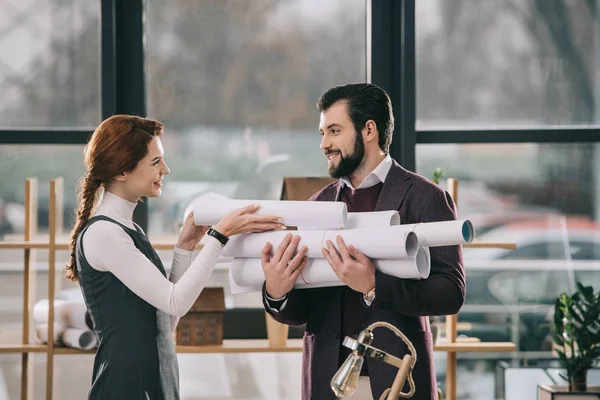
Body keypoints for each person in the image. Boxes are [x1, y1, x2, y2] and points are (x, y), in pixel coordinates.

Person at [261, 83, 465, 400]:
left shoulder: (426, 198)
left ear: (368, 129)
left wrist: (374, 285)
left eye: (334, 131)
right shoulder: (317, 205)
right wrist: (277, 291)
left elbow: (451, 292)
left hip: (398, 381)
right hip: (328, 384)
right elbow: (302, 313)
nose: (324, 144)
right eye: (321, 133)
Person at [64, 114, 285, 400]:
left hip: (155, 381)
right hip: (125, 387)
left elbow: (164, 323)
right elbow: (175, 300)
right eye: (155, 162)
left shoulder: (129, 230)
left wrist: (185, 247)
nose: (165, 170)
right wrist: (218, 237)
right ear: (121, 171)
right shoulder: (105, 234)